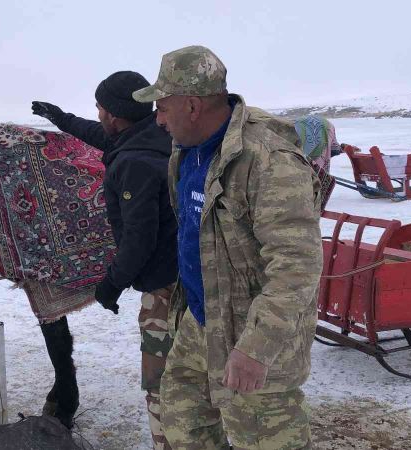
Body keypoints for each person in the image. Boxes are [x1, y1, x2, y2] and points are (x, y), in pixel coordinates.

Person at [132, 46, 323, 449]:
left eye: (163, 107)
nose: (158, 119)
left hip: (251, 339)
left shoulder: (268, 160)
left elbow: (297, 265)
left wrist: (256, 348)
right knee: (185, 429)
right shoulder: (186, 152)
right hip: (199, 325)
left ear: (192, 105)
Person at [32, 71, 178, 450]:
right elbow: (100, 136)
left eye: (99, 108)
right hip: (184, 271)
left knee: (162, 384)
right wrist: (61, 118)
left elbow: (139, 238)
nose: (96, 115)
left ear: (114, 115)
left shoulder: (134, 163)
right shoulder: (156, 132)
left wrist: (111, 284)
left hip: (164, 286)